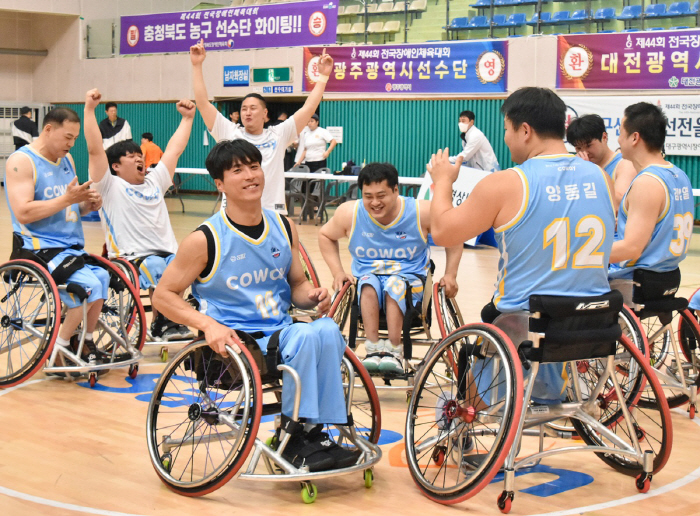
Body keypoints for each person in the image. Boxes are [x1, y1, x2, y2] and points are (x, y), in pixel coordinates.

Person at [152, 139, 357, 472]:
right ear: (219, 183)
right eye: (237, 170)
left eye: (254, 166)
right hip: (236, 344)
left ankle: (316, 432)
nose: (250, 175)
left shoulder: (283, 225)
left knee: (328, 329)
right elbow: (163, 295)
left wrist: (312, 296)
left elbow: (296, 286)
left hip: (281, 335)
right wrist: (207, 324)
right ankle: (293, 440)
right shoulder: (205, 240)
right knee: (305, 338)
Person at [429, 87, 616, 404]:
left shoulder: (507, 183)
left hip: (524, 324)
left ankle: (470, 419)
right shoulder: (600, 176)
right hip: (593, 320)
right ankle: (549, 390)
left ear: (525, 130)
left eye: (506, 129)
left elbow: (443, 232)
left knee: (490, 324)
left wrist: (444, 181)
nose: (505, 137)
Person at [318, 162, 462, 374]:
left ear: (396, 190)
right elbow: (325, 235)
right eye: (368, 196)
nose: (374, 202)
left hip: (409, 280)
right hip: (369, 279)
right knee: (367, 284)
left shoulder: (421, 211)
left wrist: (451, 274)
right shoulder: (349, 213)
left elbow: (455, 236)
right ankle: (373, 348)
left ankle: (395, 350)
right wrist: (337, 272)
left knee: (395, 284)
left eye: (381, 195)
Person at [84, 89, 194, 341]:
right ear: (115, 166)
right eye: (131, 156)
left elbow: (174, 150)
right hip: (129, 257)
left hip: (167, 253)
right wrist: (90, 110)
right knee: (157, 268)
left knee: (186, 264)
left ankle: (164, 323)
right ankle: (166, 322)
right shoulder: (108, 184)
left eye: (140, 155)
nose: (139, 159)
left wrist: (187, 119)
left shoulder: (155, 180)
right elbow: (94, 150)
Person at [5, 107, 107, 366]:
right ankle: (59, 351)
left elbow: (68, 208)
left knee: (104, 277)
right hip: (38, 247)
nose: (72, 144)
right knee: (89, 286)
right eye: (68, 137)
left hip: (69, 247)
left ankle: (85, 340)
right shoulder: (21, 161)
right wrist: (67, 198)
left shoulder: (67, 160)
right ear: (48, 129)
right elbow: (24, 212)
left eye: (75, 139)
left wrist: (86, 205)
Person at [190, 39, 334, 214]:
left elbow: (309, 107)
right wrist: (197, 65)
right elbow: (203, 103)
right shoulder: (229, 132)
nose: (247, 113)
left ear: (265, 114)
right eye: (243, 109)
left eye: (252, 108)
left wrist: (323, 77)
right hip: (235, 214)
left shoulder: (279, 134)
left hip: (273, 212)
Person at [608, 102, 694, 281]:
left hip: (634, 282)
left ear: (634, 137)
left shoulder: (647, 182)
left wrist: (579, 255)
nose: (618, 140)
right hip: (666, 275)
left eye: (620, 132)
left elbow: (631, 248)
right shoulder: (680, 175)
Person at [566, 114, 636, 209]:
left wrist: (590, 171)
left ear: (604, 137)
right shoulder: (576, 166)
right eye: (578, 148)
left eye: (589, 145)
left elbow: (619, 202)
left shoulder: (624, 164)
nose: (584, 152)